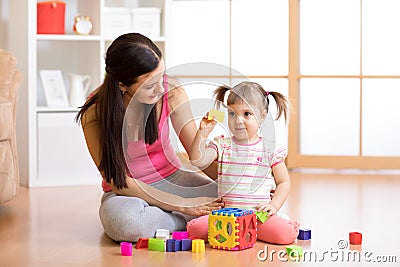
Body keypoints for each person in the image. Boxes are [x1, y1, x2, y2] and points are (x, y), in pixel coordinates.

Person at [75, 33, 223, 243]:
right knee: (125, 223)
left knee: (232, 198)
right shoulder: (95, 112)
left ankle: (168, 221)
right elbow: (117, 182)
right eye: (149, 84)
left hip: (173, 180)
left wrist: (239, 180)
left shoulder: (171, 93)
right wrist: (180, 205)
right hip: (127, 194)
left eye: (161, 76)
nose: (161, 88)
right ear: (122, 85)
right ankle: (185, 221)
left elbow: (197, 156)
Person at [187, 81, 299, 244]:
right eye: (232, 114)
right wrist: (203, 132)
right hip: (226, 217)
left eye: (246, 114)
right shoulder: (222, 144)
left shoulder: (269, 148)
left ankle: (254, 230)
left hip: (257, 216)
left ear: (262, 116)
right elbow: (198, 160)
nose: (238, 120)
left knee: (286, 235)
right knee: (195, 230)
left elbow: (283, 182)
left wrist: (273, 206)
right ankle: (241, 233)